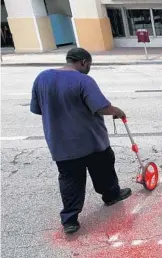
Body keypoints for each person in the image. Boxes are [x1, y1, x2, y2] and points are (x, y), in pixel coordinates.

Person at [30, 48, 132, 234]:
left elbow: (38, 109)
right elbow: (101, 107)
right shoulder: (83, 80)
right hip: (91, 141)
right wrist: (118, 111)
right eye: (89, 65)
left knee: (70, 180)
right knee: (103, 169)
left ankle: (70, 220)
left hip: (61, 144)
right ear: (84, 62)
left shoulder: (42, 78)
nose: (88, 68)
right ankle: (111, 195)